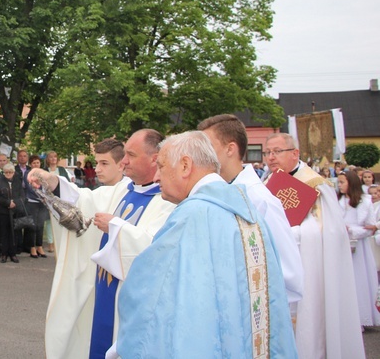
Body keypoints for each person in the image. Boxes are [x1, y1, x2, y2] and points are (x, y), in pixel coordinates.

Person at [115, 131, 297, 358]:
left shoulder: (191, 217)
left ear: (185, 165)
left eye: (161, 167)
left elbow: (148, 295)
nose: (157, 177)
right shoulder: (249, 212)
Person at [30, 134, 176, 359]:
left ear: (154, 158)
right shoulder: (124, 189)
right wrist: (53, 182)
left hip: (131, 303)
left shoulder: (168, 199)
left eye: (131, 155)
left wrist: (115, 227)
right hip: (104, 290)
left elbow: (155, 248)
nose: (124, 161)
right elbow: (83, 200)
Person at [263, 132, 365, 358]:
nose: (271, 157)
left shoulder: (315, 184)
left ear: (295, 153)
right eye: (267, 152)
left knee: (307, 325)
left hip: (308, 267)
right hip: (276, 267)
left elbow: (328, 231)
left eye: (277, 152)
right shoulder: (266, 182)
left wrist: (289, 233)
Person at [198, 114, 303, 305]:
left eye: (207, 148)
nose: (201, 155)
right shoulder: (214, 193)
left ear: (230, 149)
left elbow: (288, 273)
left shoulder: (260, 200)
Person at [337, 170, 380, 327]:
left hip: (359, 249)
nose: (339, 185)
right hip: (341, 247)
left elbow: (370, 228)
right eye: (339, 182)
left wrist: (352, 230)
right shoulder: (337, 201)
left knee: (358, 282)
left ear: (351, 183)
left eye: (342, 182)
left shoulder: (364, 202)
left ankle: (361, 318)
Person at [0, 163, 22, 263]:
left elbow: (22, 195)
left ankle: (13, 254)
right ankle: (4, 253)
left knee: (14, 233)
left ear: (13, 172)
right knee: (4, 233)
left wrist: (15, 203)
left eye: (10, 172)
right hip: (3, 211)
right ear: (4, 173)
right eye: (6, 172)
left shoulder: (17, 182)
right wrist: (8, 203)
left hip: (15, 211)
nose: (8, 174)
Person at [23, 154, 48, 258]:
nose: (36, 164)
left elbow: (47, 185)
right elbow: (29, 188)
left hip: (42, 202)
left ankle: (39, 246)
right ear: (30, 164)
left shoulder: (44, 173)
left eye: (37, 162)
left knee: (40, 225)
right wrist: (40, 195)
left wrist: (45, 196)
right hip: (32, 202)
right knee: (32, 225)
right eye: (34, 163)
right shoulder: (28, 174)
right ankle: (32, 247)